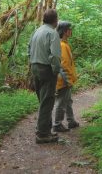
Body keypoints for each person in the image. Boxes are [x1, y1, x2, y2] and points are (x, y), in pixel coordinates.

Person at [28, 9, 61, 144]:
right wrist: (56, 71)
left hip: (35, 67)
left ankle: (46, 130)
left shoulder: (37, 31)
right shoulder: (52, 33)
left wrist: (32, 62)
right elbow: (54, 56)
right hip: (46, 69)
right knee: (47, 101)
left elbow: (28, 48)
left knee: (43, 100)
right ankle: (42, 134)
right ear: (55, 20)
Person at [53, 21, 80, 132]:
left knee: (68, 101)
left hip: (65, 79)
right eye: (69, 29)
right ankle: (57, 124)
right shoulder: (62, 45)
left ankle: (71, 121)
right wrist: (68, 79)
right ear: (64, 31)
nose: (71, 31)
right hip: (63, 79)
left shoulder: (64, 43)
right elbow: (63, 65)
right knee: (61, 102)